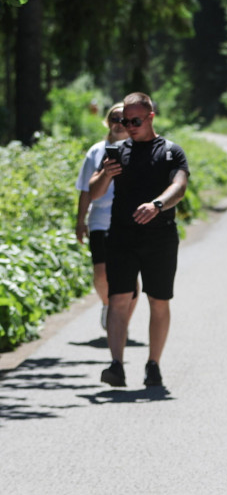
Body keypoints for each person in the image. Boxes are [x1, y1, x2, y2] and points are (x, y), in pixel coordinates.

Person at [89, 92, 189, 388]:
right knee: (118, 299)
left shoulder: (171, 151)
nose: (128, 125)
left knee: (158, 300)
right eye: (123, 120)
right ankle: (116, 365)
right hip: (121, 236)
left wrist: (157, 204)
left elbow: (179, 186)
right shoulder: (117, 151)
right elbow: (94, 192)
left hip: (160, 237)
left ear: (150, 117)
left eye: (134, 120)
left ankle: (153, 364)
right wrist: (105, 175)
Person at [74, 103, 136, 329]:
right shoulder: (96, 152)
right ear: (108, 123)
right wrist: (80, 221)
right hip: (100, 219)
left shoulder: (138, 149)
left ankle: (120, 326)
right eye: (115, 119)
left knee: (130, 278)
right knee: (101, 273)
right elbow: (84, 189)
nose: (119, 124)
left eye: (124, 120)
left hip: (130, 221)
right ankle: (108, 305)